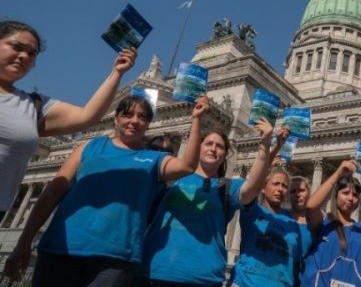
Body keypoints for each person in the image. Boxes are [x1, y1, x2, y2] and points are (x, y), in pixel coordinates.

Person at [3, 94, 208, 286]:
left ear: (147, 125)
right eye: (127, 114)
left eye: (142, 117)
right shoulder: (89, 147)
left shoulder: (154, 160)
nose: (134, 121)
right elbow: (52, 193)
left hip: (116, 258)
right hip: (62, 248)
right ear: (115, 119)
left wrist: (196, 120)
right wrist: (25, 240)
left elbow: (187, 166)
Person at [0, 20, 137, 220]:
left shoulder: (33, 105)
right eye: (17, 47)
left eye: (32, 53)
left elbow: (87, 116)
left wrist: (117, 72)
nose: (24, 56)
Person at [135, 124, 286, 287]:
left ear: (225, 155)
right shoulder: (171, 177)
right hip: (155, 272)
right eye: (208, 144)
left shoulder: (227, 187)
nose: (213, 149)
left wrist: (265, 145)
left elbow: (254, 186)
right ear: (197, 147)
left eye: (219, 146)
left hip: (204, 278)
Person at [301, 160, 361, 287]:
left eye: (355, 195)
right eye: (345, 193)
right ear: (336, 195)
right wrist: (338, 173)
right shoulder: (323, 222)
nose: (351, 198)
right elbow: (311, 206)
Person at [229, 166, 302, 287]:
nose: (280, 189)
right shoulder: (253, 210)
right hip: (245, 283)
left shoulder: (293, 224)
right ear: (263, 188)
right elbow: (251, 186)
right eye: (276, 184)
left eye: (284, 186)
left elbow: (295, 263)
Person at [289, 175, 314, 287]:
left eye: (301, 190)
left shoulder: (316, 222)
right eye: (293, 191)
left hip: (306, 280)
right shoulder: (282, 217)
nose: (297, 194)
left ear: (309, 193)